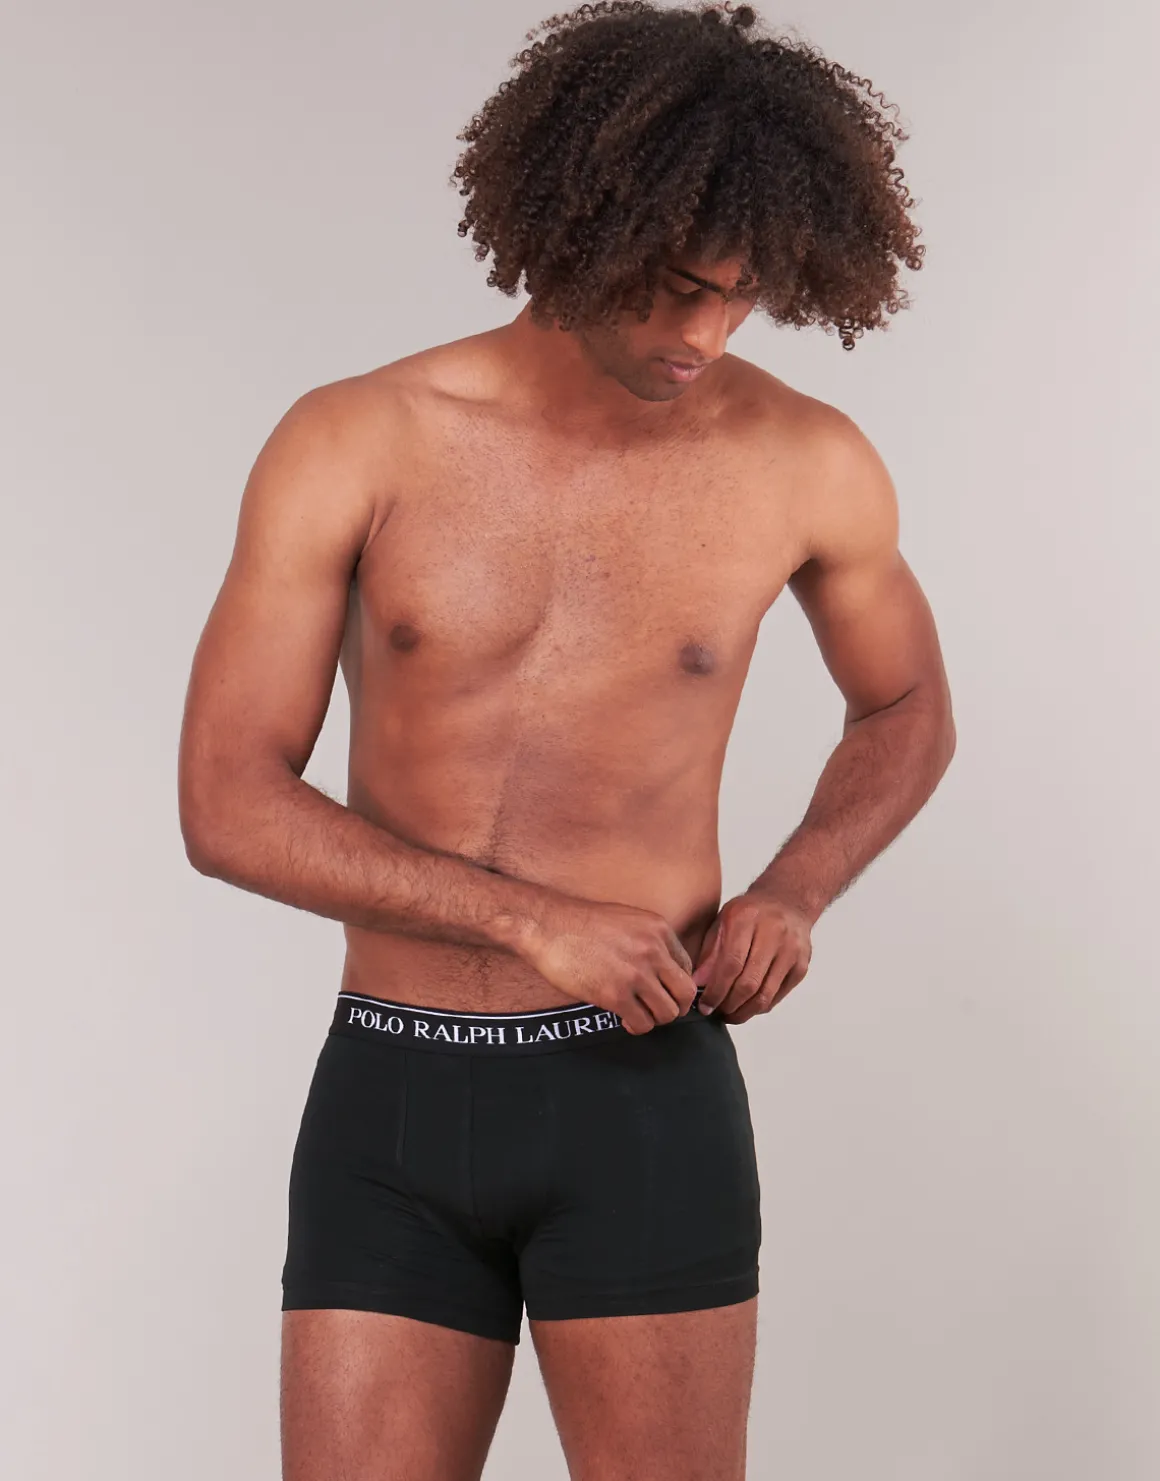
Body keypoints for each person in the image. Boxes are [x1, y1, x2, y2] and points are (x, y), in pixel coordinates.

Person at [177, 3, 955, 1477]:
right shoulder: (359, 439)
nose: (705, 335)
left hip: (641, 1098)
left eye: (743, 296)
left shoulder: (805, 462)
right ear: (578, 231)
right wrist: (528, 919)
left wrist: (797, 888)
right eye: (676, 288)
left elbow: (908, 702)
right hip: (391, 1095)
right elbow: (225, 801)